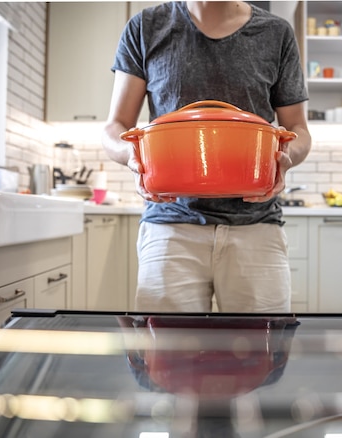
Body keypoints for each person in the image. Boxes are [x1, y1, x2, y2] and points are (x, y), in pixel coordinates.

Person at [102, 1, 312, 313]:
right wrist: (133, 158)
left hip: (256, 228)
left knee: (261, 353)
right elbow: (115, 127)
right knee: (167, 355)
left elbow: (298, 131)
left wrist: (286, 157)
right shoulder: (146, 26)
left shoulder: (276, 33)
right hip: (170, 228)